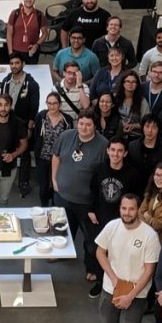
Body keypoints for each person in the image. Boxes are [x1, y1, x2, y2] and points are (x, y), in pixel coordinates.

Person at [95, 194, 160, 323]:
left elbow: (149, 270)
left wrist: (130, 295)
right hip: (111, 287)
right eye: (124, 208)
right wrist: (114, 280)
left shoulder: (149, 235)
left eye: (131, 209)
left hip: (137, 292)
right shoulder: (112, 227)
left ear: (138, 210)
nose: (127, 212)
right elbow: (100, 252)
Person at [52, 112, 108, 294]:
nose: (84, 128)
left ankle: (91, 267)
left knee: (90, 238)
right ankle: (59, 253)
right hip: (62, 195)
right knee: (61, 227)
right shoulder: (66, 136)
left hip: (86, 202)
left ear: (95, 126)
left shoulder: (103, 145)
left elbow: (104, 173)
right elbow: (56, 156)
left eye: (88, 125)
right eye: (81, 124)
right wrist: (54, 179)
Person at [89, 137, 143, 242]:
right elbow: (93, 191)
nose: (115, 154)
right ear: (107, 150)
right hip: (99, 219)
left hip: (121, 221)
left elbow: (136, 199)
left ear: (125, 153)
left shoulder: (133, 175)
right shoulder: (99, 169)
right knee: (94, 249)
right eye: (113, 150)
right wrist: (90, 211)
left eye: (120, 151)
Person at [0, 54, 40, 195]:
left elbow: (34, 106)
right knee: (5, 149)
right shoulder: (5, 82)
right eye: (11, 63)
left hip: (23, 124)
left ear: (23, 64)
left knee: (24, 153)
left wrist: (30, 126)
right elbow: (1, 102)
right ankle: (4, 177)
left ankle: (24, 182)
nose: (14, 66)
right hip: (8, 122)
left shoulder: (32, 84)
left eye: (17, 63)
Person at [34, 92, 71, 207]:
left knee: (57, 185)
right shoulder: (41, 117)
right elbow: (37, 136)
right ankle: (44, 206)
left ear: (59, 104)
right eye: (49, 103)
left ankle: (56, 208)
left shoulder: (67, 120)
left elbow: (69, 139)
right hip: (43, 156)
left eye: (55, 103)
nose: (52, 106)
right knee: (43, 186)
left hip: (60, 158)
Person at [6, 0, 47, 64]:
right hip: (16, 51)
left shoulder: (40, 15)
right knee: (16, 73)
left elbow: (45, 33)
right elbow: (9, 34)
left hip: (32, 52)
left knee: (32, 74)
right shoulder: (15, 13)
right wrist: (10, 53)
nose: (29, 0)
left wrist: (37, 45)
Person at [127, 114, 162, 184]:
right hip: (133, 186)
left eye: (154, 127)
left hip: (154, 188)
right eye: (147, 126)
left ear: (159, 130)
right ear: (143, 127)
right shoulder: (132, 146)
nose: (150, 130)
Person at [113, 70, 148, 139]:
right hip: (116, 135)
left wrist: (133, 126)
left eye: (133, 82)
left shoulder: (142, 101)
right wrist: (121, 125)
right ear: (123, 83)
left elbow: (147, 121)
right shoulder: (115, 98)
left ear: (137, 84)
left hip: (136, 136)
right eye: (128, 81)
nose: (130, 84)